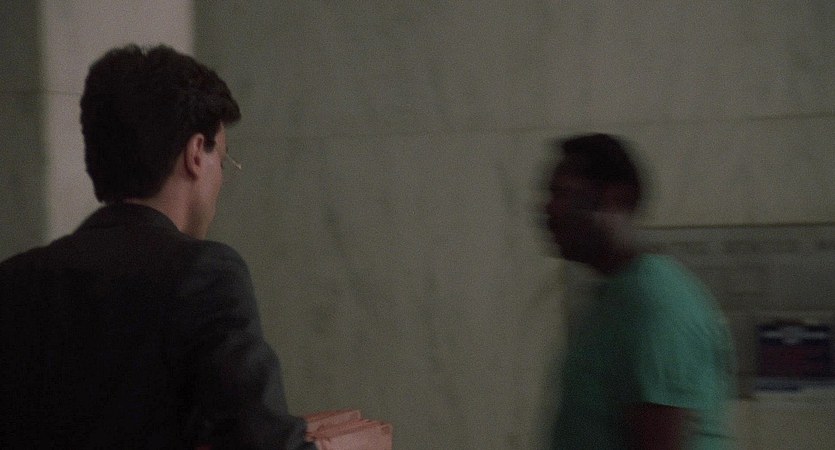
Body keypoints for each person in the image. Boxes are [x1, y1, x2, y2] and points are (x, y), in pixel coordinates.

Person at [0, 44, 315, 449]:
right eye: (223, 160)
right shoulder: (205, 274)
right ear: (196, 154)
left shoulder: (14, 280)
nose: (222, 178)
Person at [543, 133, 736, 449]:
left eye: (563, 193)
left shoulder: (652, 304)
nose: (548, 210)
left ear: (617, 199)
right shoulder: (615, 296)